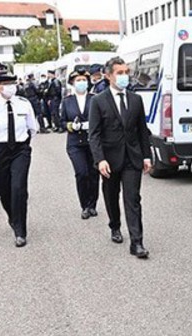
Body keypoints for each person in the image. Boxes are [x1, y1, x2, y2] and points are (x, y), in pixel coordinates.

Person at [89, 56, 153, 259]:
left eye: (126, 72)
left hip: (132, 159)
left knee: (133, 198)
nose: (124, 77)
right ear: (109, 76)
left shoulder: (136, 99)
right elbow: (94, 134)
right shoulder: (98, 101)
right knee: (111, 195)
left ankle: (137, 242)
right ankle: (114, 226)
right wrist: (100, 160)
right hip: (109, 159)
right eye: (120, 73)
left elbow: (142, 130)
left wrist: (146, 156)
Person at [0, 71, 38, 247]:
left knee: (18, 187)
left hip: (20, 149)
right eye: (5, 83)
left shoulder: (24, 103)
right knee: (3, 189)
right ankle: (13, 217)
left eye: (12, 83)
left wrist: (25, 146)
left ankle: (20, 230)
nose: (10, 87)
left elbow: (32, 127)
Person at [60, 70, 100, 220]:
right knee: (82, 173)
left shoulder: (95, 99)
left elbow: (103, 118)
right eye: (78, 80)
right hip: (75, 143)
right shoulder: (67, 101)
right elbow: (61, 122)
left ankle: (92, 204)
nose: (81, 82)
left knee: (94, 174)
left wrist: (93, 125)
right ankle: (84, 206)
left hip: (93, 142)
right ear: (72, 83)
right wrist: (71, 126)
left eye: (84, 79)